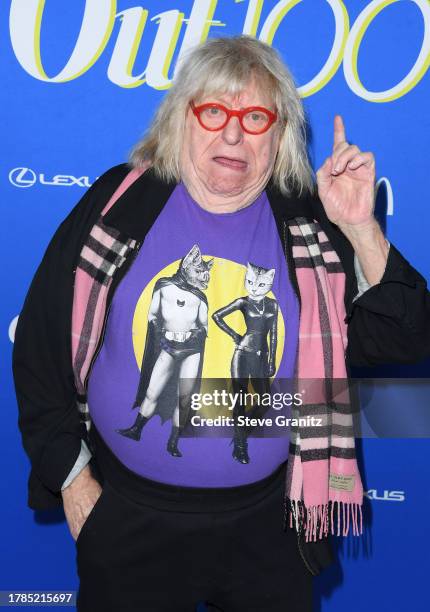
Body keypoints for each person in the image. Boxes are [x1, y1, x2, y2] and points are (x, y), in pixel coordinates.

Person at [12, 35, 430, 612]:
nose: (233, 134)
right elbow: (39, 350)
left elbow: (405, 336)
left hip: (270, 530)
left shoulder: (307, 221)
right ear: (181, 118)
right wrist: (75, 484)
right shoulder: (119, 202)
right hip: (131, 523)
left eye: (255, 116)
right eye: (214, 111)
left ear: (279, 134)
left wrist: (359, 228)